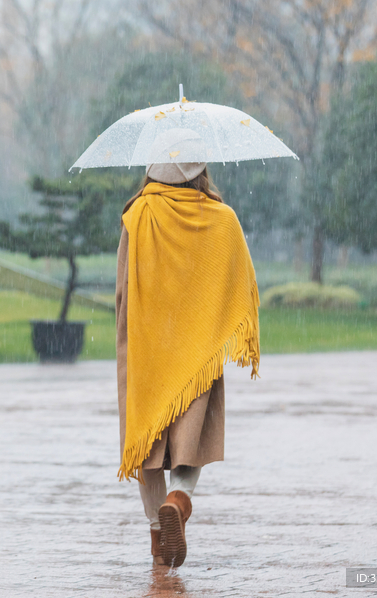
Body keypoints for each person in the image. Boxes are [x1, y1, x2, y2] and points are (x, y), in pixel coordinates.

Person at [115, 149, 260, 568]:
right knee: (189, 441)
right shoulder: (221, 217)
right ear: (202, 169)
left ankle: (159, 541)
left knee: (147, 442)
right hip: (196, 348)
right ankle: (180, 500)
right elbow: (241, 283)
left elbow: (124, 289)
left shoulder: (137, 216)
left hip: (148, 346)